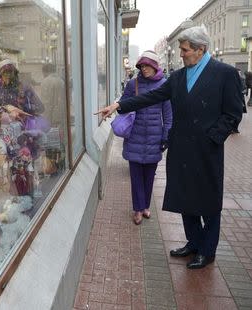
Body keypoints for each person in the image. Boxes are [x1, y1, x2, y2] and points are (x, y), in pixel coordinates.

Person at [96, 26, 243, 269]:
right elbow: (150, 97)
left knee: (207, 201)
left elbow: (233, 113)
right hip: (181, 149)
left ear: (200, 49)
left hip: (206, 151)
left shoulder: (224, 74)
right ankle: (194, 242)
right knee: (186, 197)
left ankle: (207, 251)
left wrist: (212, 139)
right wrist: (118, 106)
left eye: (184, 50)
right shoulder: (177, 77)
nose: (181, 54)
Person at [120, 51, 172, 225]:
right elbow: (123, 105)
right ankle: (137, 209)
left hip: (154, 138)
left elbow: (168, 114)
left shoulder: (164, 85)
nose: (144, 69)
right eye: (141, 66)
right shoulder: (132, 84)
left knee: (149, 176)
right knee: (136, 177)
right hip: (134, 136)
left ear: (155, 65)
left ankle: (145, 206)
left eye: (147, 65)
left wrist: (166, 136)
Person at [40, 63, 65, 129]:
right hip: (61, 115)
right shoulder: (61, 81)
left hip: (49, 116)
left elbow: (45, 102)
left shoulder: (45, 82)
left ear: (45, 72)